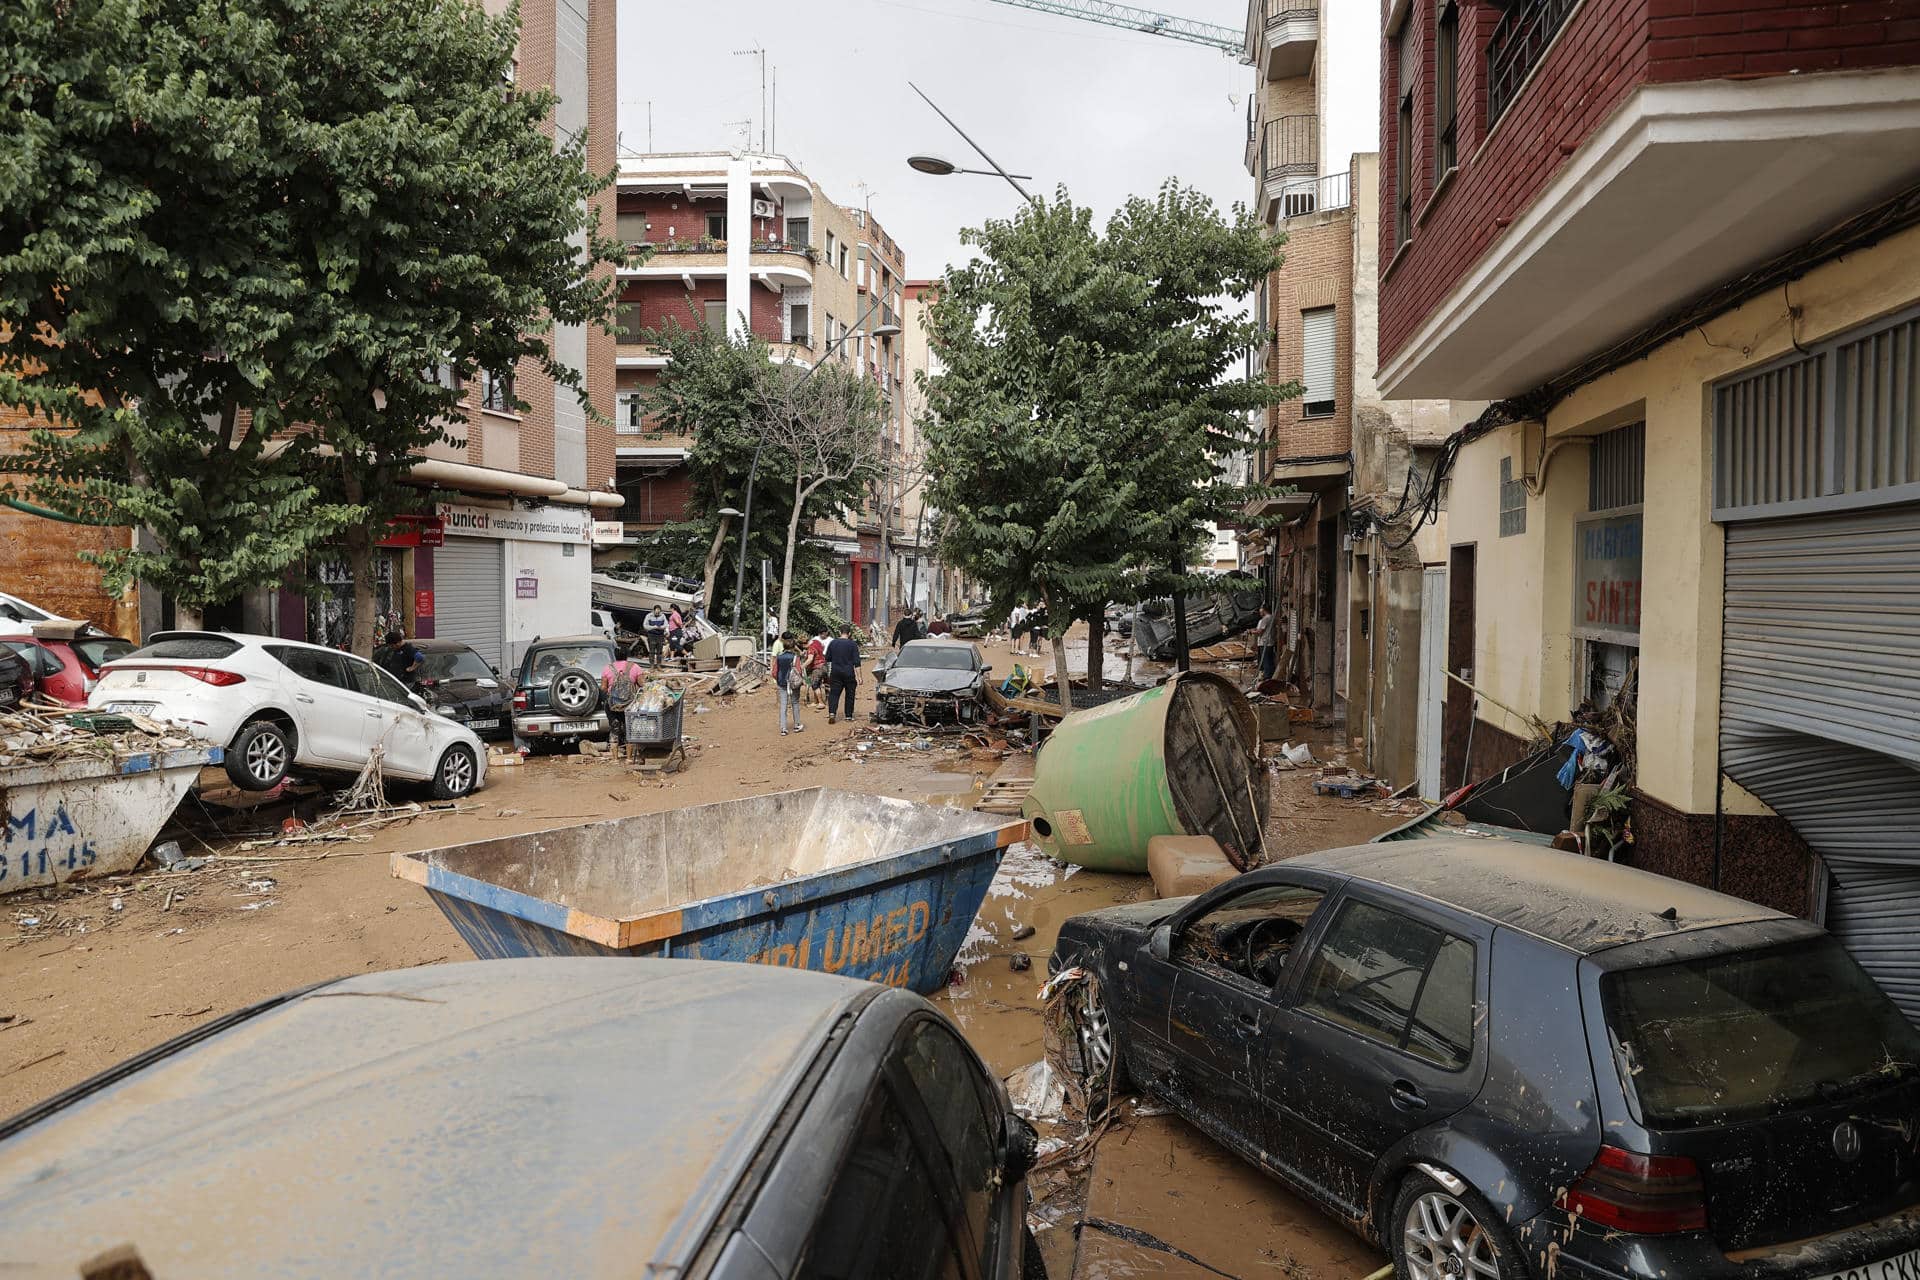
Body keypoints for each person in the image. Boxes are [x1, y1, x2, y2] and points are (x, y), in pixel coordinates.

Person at [602, 642, 643, 757]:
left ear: (615, 655)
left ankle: (615, 758)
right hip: (629, 705)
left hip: (613, 705)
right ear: (627, 655)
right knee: (628, 729)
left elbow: (604, 688)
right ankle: (629, 758)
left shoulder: (607, 668)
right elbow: (642, 685)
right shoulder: (635, 667)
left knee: (614, 729)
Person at [824, 624, 862, 724]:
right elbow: (857, 662)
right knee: (850, 694)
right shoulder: (853, 644)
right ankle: (848, 715)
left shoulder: (833, 643)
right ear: (849, 634)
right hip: (849, 672)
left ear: (840, 632)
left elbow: (827, 658)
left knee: (834, 693)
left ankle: (832, 713)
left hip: (835, 672)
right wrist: (859, 677)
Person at [774, 631, 806, 736]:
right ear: (793, 646)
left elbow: (774, 672)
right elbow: (799, 671)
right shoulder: (795, 657)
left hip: (782, 683)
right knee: (795, 703)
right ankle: (797, 725)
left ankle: (783, 728)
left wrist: (778, 679)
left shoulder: (779, 656)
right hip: (793, 684)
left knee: (783, 705)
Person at [803, 630, 829, 710]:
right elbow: (823, 647)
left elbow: (810, 659)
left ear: (804, 644)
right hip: (824, 665)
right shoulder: (816, 642)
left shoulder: (811, 648)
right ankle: (815, 701)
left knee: (815, 685)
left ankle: (821, 703)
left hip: (817, 668)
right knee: (818, 683)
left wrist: (801, 666)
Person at [1254, 605, 1277, 682]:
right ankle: (1269, 676)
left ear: (1264, 610)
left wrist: (1251, 632)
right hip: (1269, 642)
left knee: (1266, 661)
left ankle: (1267, 678)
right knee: (1269, 660)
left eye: (1261, 610)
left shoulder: (1265, 619)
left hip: (1264, 642)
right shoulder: (1271, 617)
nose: (1260, 612)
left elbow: (1260, 631)